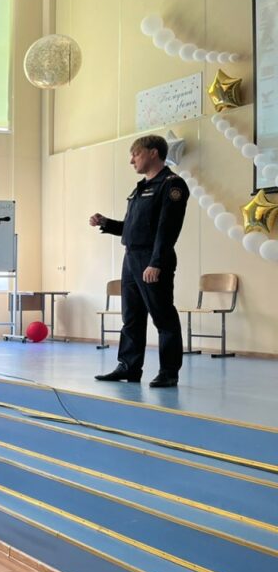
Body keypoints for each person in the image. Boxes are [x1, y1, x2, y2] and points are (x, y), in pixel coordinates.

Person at [89, 134, 189, 388]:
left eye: (136, 154)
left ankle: (169, 371)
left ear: (153, 153)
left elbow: (167, 229)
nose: (131, 160)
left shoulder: (171, 185)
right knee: (131, 317)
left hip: (152, 258)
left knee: (163, 317)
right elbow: (133, 227)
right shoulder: (140, 188)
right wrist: (106, 223)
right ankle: (128, 366)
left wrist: (156, 263)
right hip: (132, 257)